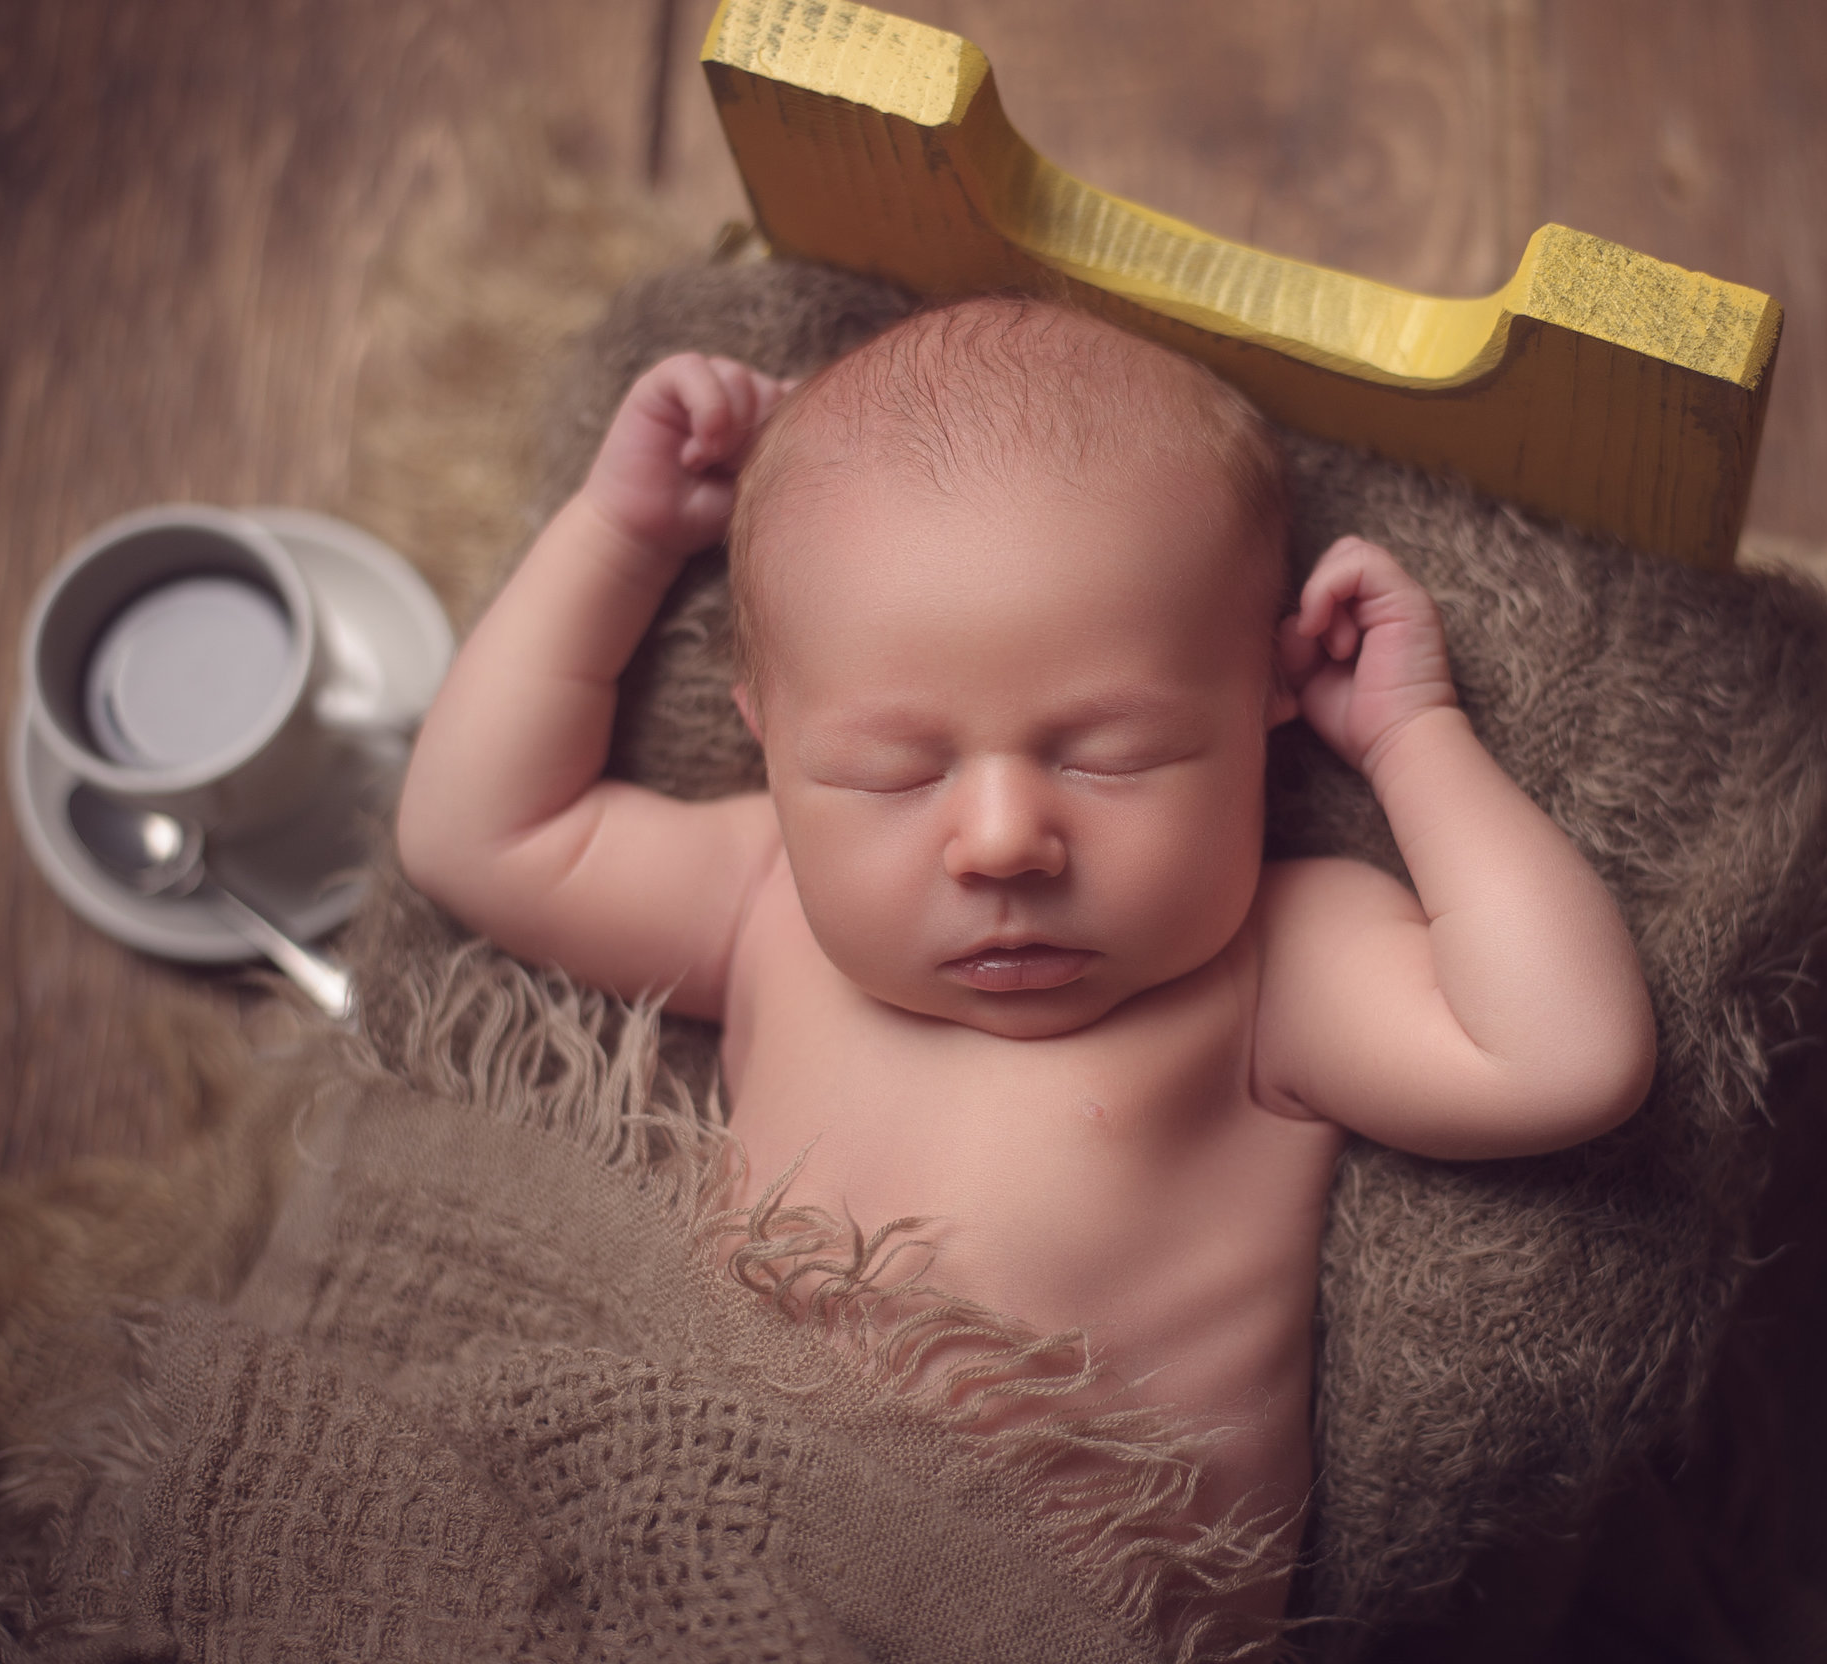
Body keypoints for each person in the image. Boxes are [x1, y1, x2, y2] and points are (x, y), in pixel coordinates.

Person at [397, 296, 1655, 1606]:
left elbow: (1562, 1057)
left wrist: (1412, 739)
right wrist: (620, 535)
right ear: (768, 739)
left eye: (1112, 757)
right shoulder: (765, 895)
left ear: (1266, 701)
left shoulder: (1272, 962)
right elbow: (476, 833)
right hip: (712, 1561)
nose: (1002, 841)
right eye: (893, 774)